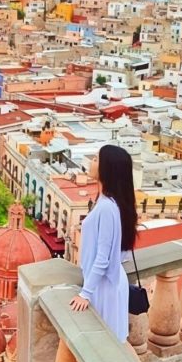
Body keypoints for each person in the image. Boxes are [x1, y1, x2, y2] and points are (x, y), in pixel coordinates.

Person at [69, 144, 138, 343]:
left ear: (107, 169)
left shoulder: (107, 207)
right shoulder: (110, 202)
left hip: (104, 288)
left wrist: (85, 293)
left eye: (97, 159)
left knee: (108, 345)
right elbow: (120, 251)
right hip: (108, 283)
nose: (92, 162)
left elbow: (103, 257)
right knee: (117, 342)